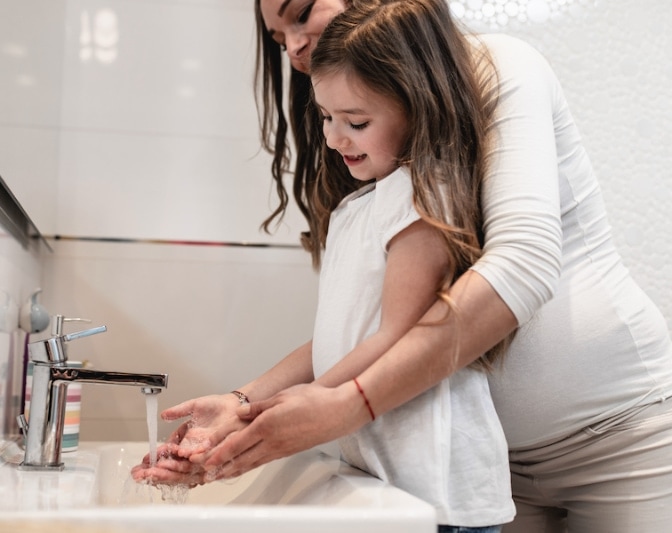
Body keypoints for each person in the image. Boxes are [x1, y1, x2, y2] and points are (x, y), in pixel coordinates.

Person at [134, 1, 672, 531]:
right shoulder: (381, 159)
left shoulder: (497, 67)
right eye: (278, 39)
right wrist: (246, 403)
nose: (293, 47)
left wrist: (345, 405)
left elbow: (524, 262)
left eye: (300, 14)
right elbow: (368, 327)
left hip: (622, 438)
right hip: (494, 468)